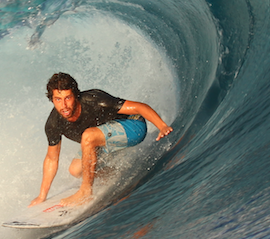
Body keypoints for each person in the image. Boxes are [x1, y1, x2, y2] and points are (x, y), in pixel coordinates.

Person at [31, 72, 173, 208]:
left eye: (68, 98)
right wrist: (42, 196)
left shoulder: (94, 99)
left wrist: (162, 126)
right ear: (52, 100)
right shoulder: (54, 123)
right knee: (75, 170)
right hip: (105, 139)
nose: (64, 105)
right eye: (58, 99)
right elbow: (51, 159)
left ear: (75, 95)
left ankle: (85, 191)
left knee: (88, 136)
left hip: (133, 126)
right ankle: (113, 173)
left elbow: (138, 107)